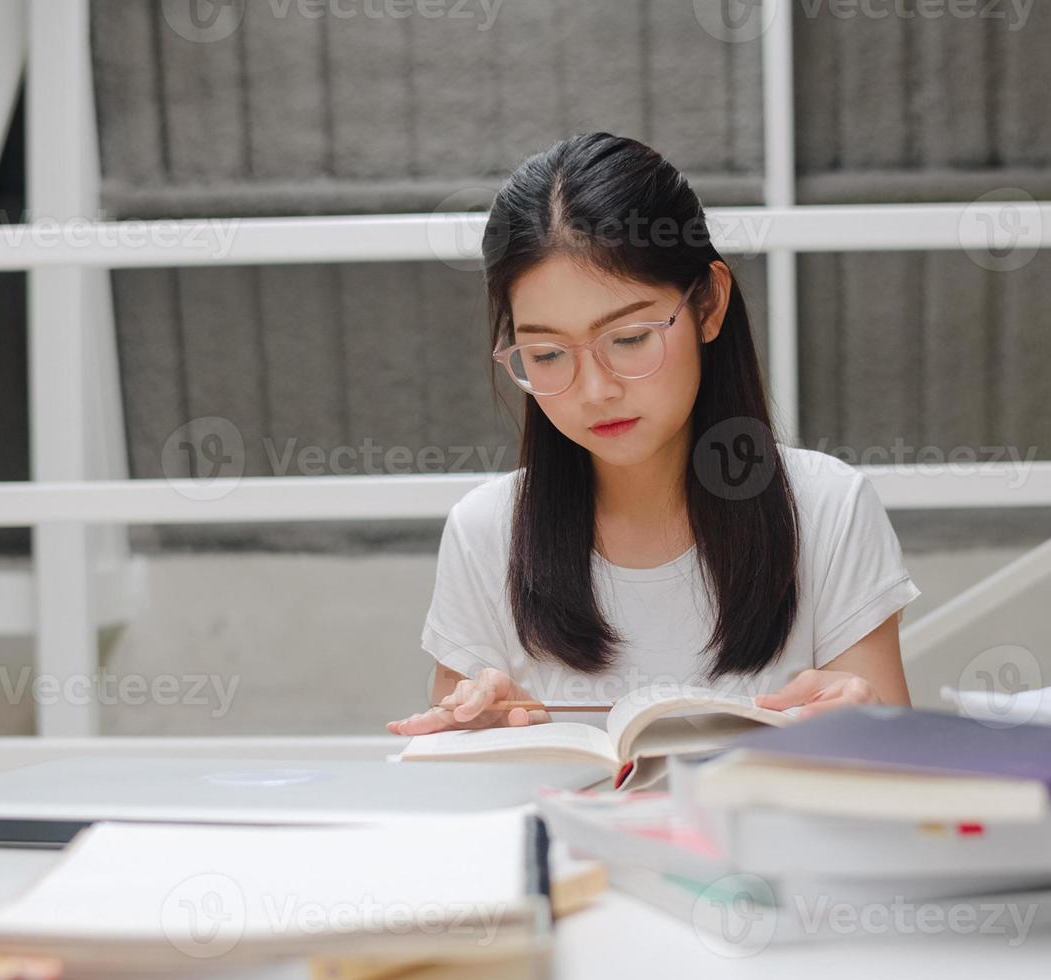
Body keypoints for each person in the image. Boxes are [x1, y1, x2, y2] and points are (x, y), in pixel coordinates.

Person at [387, 133, 919, 736]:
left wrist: (865, 721)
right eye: (547, 353)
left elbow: (897, 789)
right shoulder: (486, 533)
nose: (595, 390)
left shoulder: (828, 509)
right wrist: (487, 739)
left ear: (709, 305)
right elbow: (460, 799)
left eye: (630, 338)